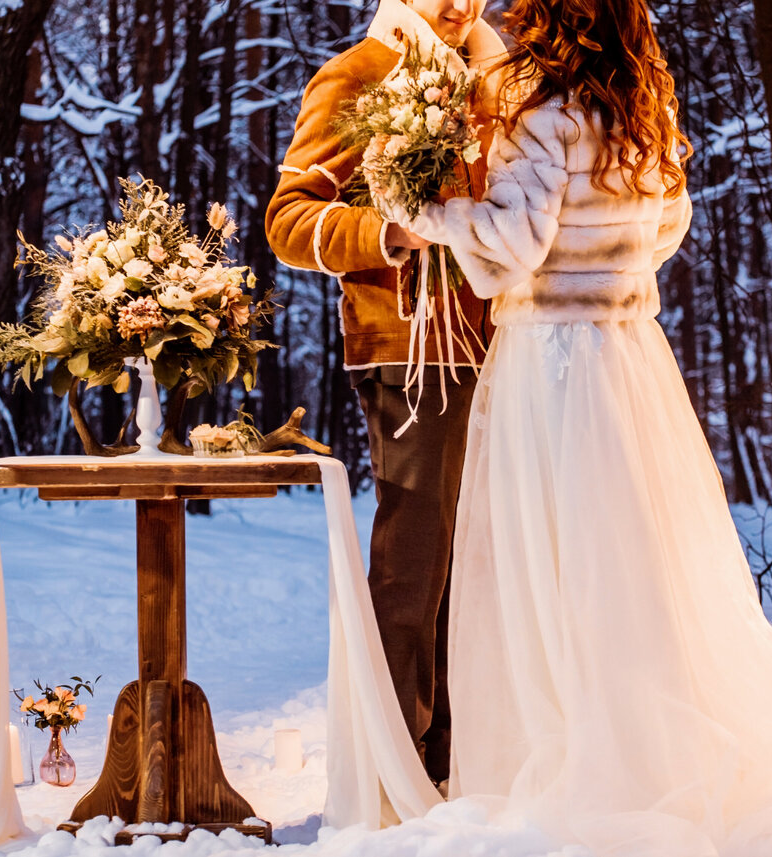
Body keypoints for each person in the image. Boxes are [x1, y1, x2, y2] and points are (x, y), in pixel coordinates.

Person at [393, 0, 772, 853]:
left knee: (553, 568)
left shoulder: (541, 117)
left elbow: (510, 244)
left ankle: (579, 764)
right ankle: (650, 753)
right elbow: (667, 229)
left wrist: (425, 214)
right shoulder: (644, 119)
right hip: (629, 356)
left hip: (548, 364)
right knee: (630, 566)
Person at [265, 0, 506, 787]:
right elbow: (287, 218)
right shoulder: (357, 75)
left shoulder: (494, 81)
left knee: (477, 559)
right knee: (415, 559)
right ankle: (392, 769)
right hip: (405, 350)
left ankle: (457, 763)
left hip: (500, 348)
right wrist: (384, 232)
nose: (461, 7)